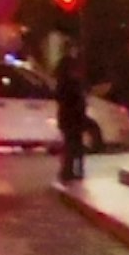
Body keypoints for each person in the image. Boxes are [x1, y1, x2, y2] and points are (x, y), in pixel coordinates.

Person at [56, 52, 96, 184]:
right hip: (74, 119)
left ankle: (68, 171)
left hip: (67, 119)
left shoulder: (62, 84)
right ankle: (74, 171)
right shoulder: (73, 84)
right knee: (75, 146)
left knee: (70, 145)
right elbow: (78, 103)